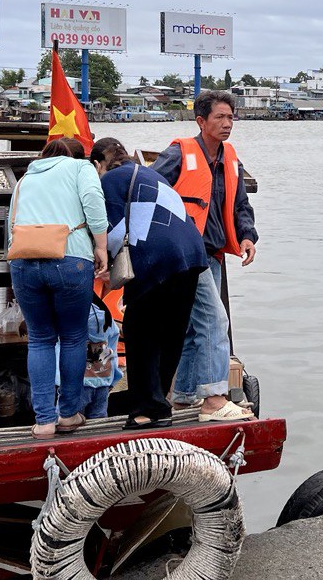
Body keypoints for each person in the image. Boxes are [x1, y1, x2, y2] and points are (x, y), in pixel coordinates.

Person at [151, 90, 258, 422]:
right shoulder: (179, 153)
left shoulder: (230, 159)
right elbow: (148, 191)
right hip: (184, 254)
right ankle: (214, 399)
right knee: (215, 320)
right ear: (201, 121)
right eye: (219, 118)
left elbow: (240, 204)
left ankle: (183, 397)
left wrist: (246, 236)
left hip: (211, 254)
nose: (227, 124)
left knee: (192, 327)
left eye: (230, 117)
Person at [94, 137, 209, 429]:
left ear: (97, 164)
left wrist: (103, 263)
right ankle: (160, 405)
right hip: (193, 253)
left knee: (140, 331)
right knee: (171, 332)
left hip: (157, 257)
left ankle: (146, 410)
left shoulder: (109, 181)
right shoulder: (151, 173)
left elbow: (115, 230)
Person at [6, 136, 109, 439]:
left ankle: (44, 422)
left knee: (39, 340)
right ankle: (68, 414)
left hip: (23, 263)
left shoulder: (24, 179)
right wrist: (101, 245)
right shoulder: (81, 168)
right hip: (70, 259)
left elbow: (10, 225)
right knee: (74, 337)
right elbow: (93, 199)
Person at [55, 288, 123, 419]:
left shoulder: (67, 319)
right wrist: (113, 379)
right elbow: (112, 352)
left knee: (68, 421)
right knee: (98, 421)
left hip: (75, 385)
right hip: (103, 382)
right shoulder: (107, 319)